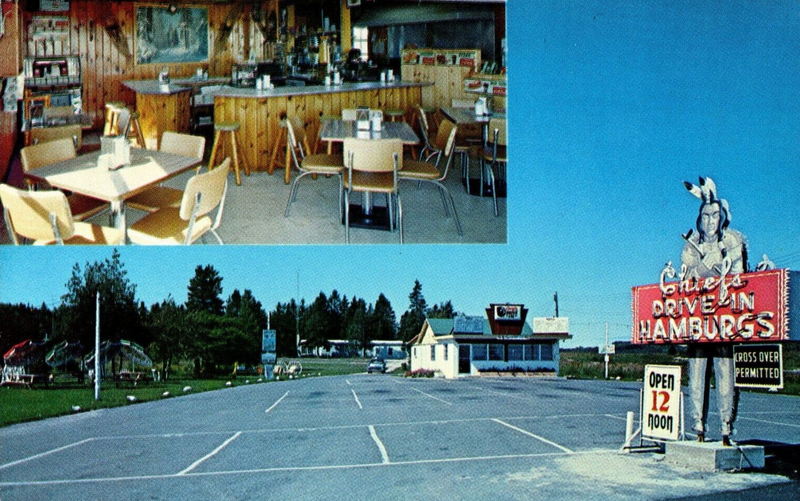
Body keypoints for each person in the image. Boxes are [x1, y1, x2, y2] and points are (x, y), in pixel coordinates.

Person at [681, 177, 748, 446]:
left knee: (725, 371)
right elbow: (685, 280)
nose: (710, 220)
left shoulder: (733, 240)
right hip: (698, 318)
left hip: (725, 319)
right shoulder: (691, 243)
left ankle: (725, 427)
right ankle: (698, 424)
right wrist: (702, 267)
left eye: (715, 215)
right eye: (706, 215)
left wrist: (721, 266)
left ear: (723, 217)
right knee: (696, 371)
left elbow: (740, 275)